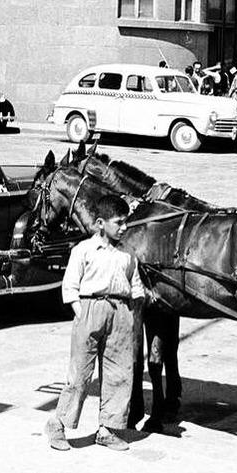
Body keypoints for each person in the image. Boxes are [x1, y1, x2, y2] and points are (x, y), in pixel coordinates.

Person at [45, 194, 144, 452]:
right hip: (90, 310)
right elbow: (70, 286)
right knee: (80, 374)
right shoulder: (83, 250)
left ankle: (107, 429)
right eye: (118, 222)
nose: (124, 228)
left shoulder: (127, 253)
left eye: (126, 222)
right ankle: (58, 424)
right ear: (100, 223)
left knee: (120, 374)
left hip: (121, 314)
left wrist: (131, 311)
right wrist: (82, 312)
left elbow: (135, 285)